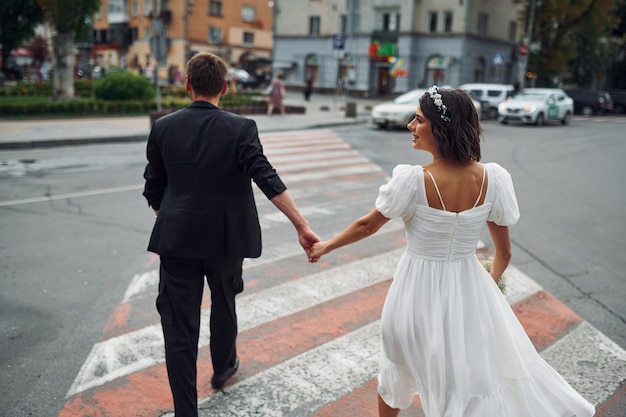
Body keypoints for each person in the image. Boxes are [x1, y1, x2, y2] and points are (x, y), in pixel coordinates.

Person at [308, 86, 595, 417]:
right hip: (469, 297)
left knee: (396, 371)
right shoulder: (493, 179)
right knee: (460, 381)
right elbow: (505, 253)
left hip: (413, 294)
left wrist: (325, 245)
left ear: (440, 127)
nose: (410, 127)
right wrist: (491, 285)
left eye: (418, 120)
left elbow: (367, 226)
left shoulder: (411, 180)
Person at [143, 52, 319, 417]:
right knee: (224, 301)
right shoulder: (241, 128)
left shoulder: (163, 126)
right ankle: (223, 368)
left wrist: (171, 216)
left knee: (178, 327)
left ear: (187, 84)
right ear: (225, 86)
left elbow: (153, 186)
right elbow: (265, 176)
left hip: (176, 241)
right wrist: (301, 225)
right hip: (225, 241)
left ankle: (185, 412)